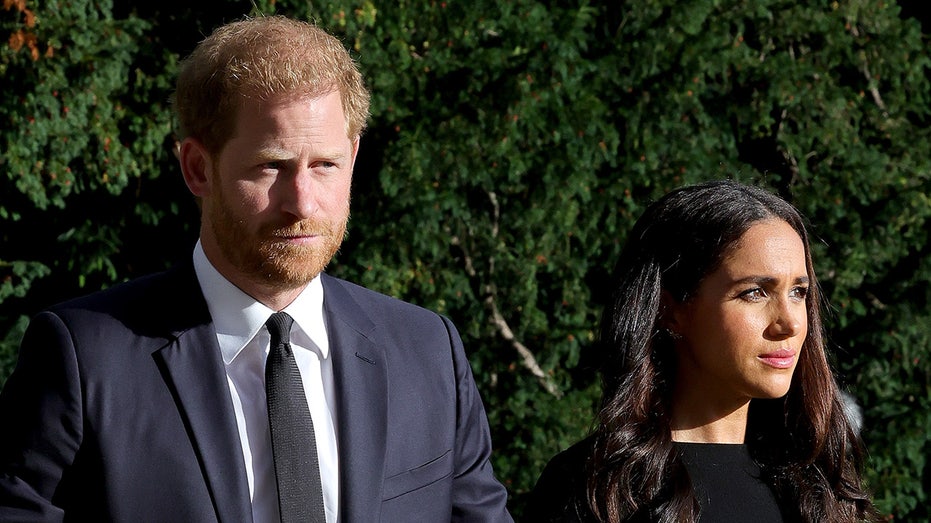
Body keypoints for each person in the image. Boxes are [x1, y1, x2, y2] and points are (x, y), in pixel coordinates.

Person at [0, 15, 512, 522]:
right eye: (272, 166)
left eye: (325, 165)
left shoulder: (427, 352)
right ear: (198, 168)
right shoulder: (85, 359)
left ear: (353, 157)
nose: (303, 203)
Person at [526, 180, 878, 522]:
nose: (790, 323)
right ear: (672, 310)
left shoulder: (819, 485)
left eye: (798, 292)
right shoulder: (597, 489)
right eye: (755, 292)